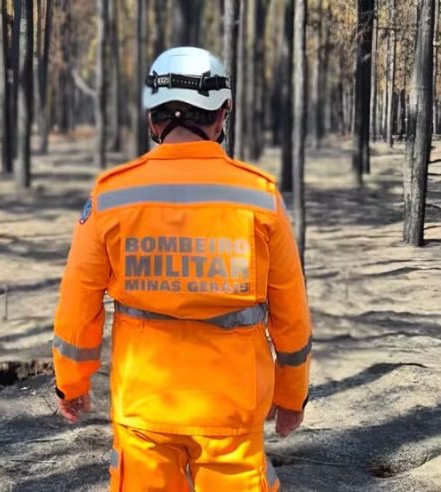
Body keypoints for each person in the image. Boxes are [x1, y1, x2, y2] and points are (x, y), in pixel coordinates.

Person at [52, 46, 311, 491]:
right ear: (222, 113)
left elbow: (79, 302)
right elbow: (291, 311)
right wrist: (291, 396)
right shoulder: (260, 198)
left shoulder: (113, 196)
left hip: (144, 404)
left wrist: (71, 384)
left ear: (152, 119)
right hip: (234, 405)